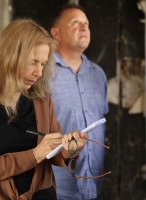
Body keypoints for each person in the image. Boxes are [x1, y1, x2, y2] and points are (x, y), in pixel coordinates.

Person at [0, 18, 88, 200]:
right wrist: (34, 154)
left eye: (43, 64)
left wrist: (69, 150)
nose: (39, 73)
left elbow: (53, 152)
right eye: (33, 62)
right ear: (11, 57)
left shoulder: (41, 98)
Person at [49, 4, 108, 200]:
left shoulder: (98, 75)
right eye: (76, 23)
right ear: (56, 33)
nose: (84, 28)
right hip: (56, 190)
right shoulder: (42, 73)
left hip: (93, 188)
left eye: (86, 24)